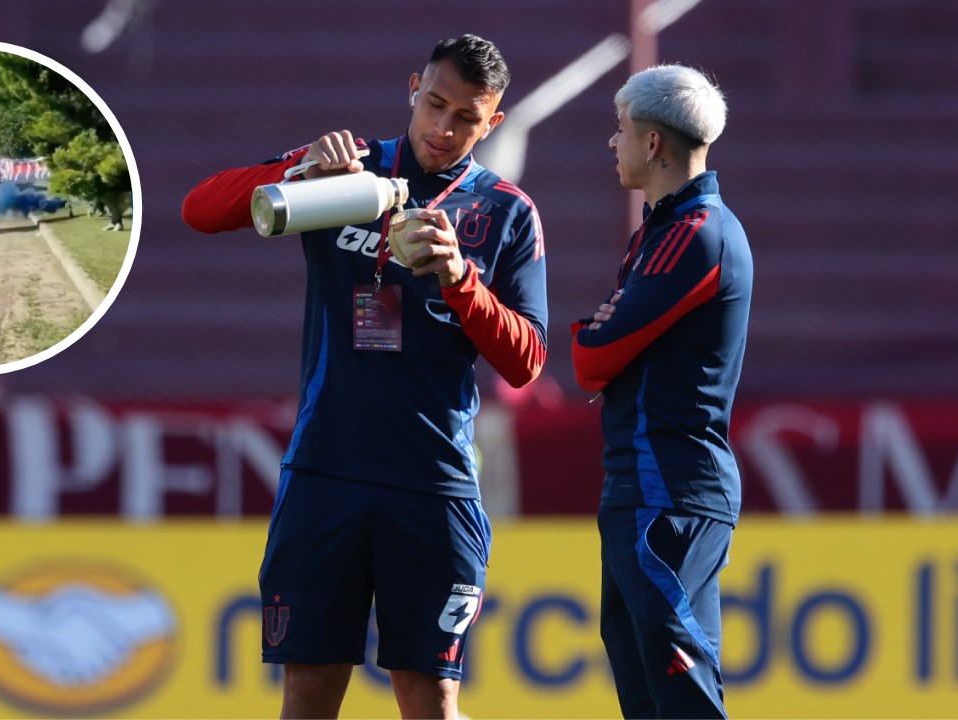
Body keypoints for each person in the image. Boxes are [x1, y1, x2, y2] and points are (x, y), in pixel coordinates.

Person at [182, 34, 547, 720]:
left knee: (430, 701)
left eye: (467, 118)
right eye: (434, 103)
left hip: (434, 485)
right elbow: (199, 210)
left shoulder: (505, 212)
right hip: (327, 475)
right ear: (413, 87)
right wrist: (298, 174)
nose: (443, 128)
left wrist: (460, 278)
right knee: (308, 698)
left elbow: (527, 362)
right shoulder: (351, 173)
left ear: (493, 123)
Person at [570, 64, 752, 719]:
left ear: (653, 145)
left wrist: (597, 337)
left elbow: (593, 358)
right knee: (645, 688)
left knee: (681, 684)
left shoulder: (694, 234)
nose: (612, 143)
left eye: (620, 130)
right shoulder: (661, 231)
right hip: (638, 486)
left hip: (669, 489)